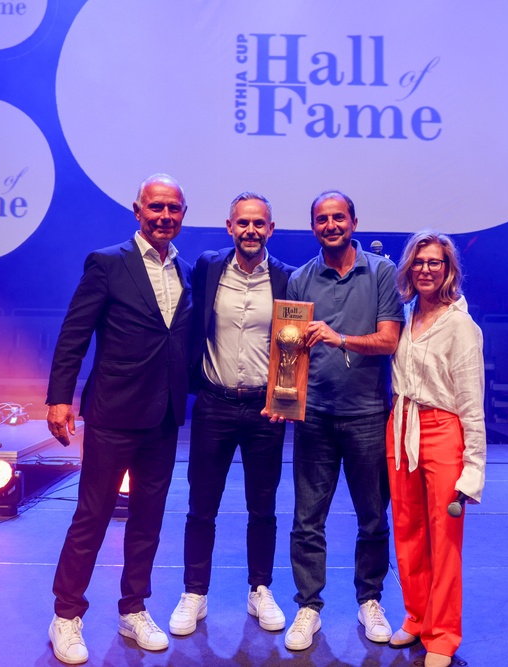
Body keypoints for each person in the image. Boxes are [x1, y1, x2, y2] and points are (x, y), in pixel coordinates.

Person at [45, 174, 192, 663]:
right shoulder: (108, 263)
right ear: (137, 210)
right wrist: (59, 397)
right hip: (113, 413)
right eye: (156, 208)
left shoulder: (184, 271)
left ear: (182, 214)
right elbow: (74, 333)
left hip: (165, 416)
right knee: (93, 515)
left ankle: (133, 608)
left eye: (173, 208)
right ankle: (66, 615)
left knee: (148, 519)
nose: (164, 216)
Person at [273, 190, 403, 651]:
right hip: (314, 417)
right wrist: (282, 400)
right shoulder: (300, 279)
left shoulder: (382, 272)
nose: (331, 225)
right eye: (322, 219)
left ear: (354, 221)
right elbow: (288, 352)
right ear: (313, 227)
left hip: (368, 413)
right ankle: (309, 606)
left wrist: (339, 338)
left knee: (373, 517)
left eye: (339, 217)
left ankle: (370, 599)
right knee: (307, 518)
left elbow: (389, 340)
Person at [168, 192, 294, 637]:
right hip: (215, 404)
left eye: (259, 223)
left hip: (265, 411)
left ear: (271, 229)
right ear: (229, 226)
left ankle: (260, 589)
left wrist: (283, 400)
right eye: (243, 223)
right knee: (201, 506)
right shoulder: (207, 267)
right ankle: (194, 593)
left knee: (263, 508)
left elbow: (294, 349)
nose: (251, 231)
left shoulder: (287, 278)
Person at [387, 230, 486, 667]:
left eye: (436, 263)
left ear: (449, 270)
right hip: (400, 424)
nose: (426, 269)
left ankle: (443, 635)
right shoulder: (406, 315)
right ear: (409, 267)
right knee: (407, 530)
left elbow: (472, 403)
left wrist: (473, 468)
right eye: (420, 262)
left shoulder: (461, 325)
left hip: (443, 429)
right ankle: (417, 616)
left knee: (444, 538)